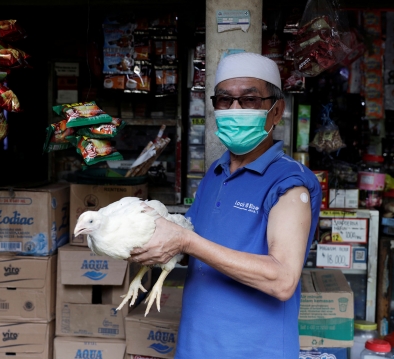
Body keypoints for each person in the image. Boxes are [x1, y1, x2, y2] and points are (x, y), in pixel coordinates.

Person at [129, 52, 322, 359]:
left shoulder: (289, 182)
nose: (235, 109)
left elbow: (283, 279)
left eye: (249, 100)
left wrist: (186, 241)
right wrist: (136, 229)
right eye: (225, 100)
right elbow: (184, 240)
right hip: (196, 347)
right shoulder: (215, 173)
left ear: (276, 110)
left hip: (255, 351)